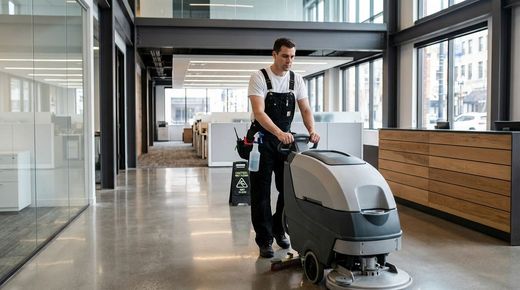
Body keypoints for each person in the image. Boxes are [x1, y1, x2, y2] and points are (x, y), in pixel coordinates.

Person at [247, 38, 320, 258]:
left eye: (293, 56)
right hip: (261, 142)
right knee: (260, 194)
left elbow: (305, 109)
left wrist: (312, 130)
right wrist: (278, 132)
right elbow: (259, 112)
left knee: (286, 190)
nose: (289, 61)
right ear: (274, 55)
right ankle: (265, 240)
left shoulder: (296, 80)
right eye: (285, 56)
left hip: (285, 144)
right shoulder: (259, 77)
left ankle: (279, 230)